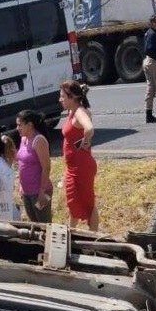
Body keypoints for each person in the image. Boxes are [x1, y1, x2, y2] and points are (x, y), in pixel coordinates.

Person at [59, 80, 99, 231]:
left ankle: (94, 236)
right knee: (74, 201)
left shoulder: (79, 112)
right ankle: (70, 232)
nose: (60, 99)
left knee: (88, 203)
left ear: (72, 97)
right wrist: (81, 91)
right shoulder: (72, 109)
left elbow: (89, 128)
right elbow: (79, 94)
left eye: (62, 96)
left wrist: (86, 141)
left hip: (81, 167)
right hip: (73, 166)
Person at [15, 110, 53, 222]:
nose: (17, 128)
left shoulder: (39, 140)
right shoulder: (23, 139)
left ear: (30, 125)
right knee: (33, 222)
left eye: (19, 125)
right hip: (27, 191)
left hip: (39, 192)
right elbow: (22, 162)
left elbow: (46, 167)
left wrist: (42, 192)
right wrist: (20, 185)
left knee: (44, 223)